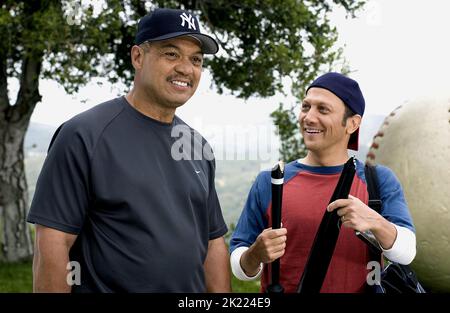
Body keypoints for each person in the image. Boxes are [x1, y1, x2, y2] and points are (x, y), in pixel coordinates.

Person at [27, 8, 230, 293]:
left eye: (196, 59)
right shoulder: (83, 135)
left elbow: (212, 243)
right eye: (171, 54)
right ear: (138, 57)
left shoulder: (196, 145)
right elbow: (53, 244)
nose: (186, 68)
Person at [230, 72, 417, 293]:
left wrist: (375, 222)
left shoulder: (378, 180)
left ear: (352, 124)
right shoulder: (271, 181)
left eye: (323, 109)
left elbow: (406, 252)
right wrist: (255, 254)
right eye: (305, 107)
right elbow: (239, 263)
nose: (308, 117)